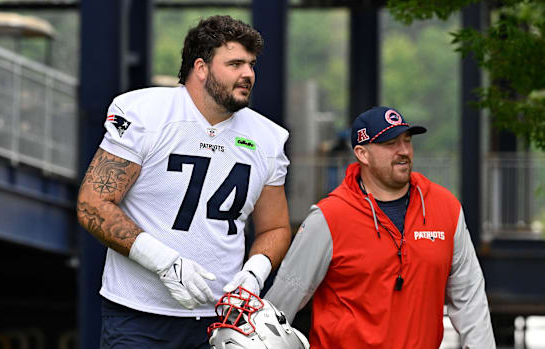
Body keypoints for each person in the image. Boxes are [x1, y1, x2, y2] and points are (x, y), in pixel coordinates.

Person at [76, 15, 292, 349]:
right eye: (234, 63)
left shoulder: (267, 137)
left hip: (221, 322)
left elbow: (275, 228)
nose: (248, 74)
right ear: (201, 67)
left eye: (250, 64)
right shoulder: (144, 113)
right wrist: (163, 263)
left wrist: (254, 274)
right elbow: (93, 204)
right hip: (138, 316)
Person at [265, 106, 496, 348]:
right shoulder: (328, 218)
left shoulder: (446, 209)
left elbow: (470, 298)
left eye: (407, 141)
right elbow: (280, 306)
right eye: (391, 143)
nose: (404, 151)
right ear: (362, 154)